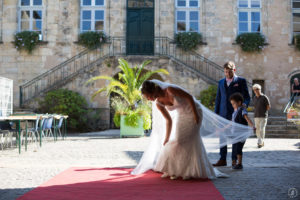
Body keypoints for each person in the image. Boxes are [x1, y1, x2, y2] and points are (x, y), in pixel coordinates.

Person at [131, 79, 253, 180]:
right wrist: (167, 138)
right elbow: (169, 120)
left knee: (183, 141)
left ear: (152, 91)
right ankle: (177, 170)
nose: (148, 100)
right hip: (181, 116)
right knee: (177, 141)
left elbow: (189, 97)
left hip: (194, 111)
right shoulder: (159, 103)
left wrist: (195, 115)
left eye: (148, 96)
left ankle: (188, 171)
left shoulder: (170, 90)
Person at [213, 61, 250, 167]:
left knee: (235, 138)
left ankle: (234, 160)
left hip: (236, 114)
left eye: (229, 72)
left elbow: (247, 97)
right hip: (223, 113)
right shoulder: (221, 82)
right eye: (225, 72)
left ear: (234, 70)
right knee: (222, 137)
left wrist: (244, 105)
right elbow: (218, 99)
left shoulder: (241, 81)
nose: (227, 74)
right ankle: (222, 159)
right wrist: (216, 114)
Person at [229, 93, 254, 169]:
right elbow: (231, 122)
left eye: (234, 103)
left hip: (241, 133)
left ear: (239, 102)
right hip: (235, 133)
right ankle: (235, 162)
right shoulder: (235, 111)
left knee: (239, 148)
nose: (233, 105)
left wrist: (252, 126)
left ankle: (240, 164)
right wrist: (223, 128)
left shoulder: (242, 110)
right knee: (235, 148)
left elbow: (247, 118)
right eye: (232, 104)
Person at [252, 84, 270, 148]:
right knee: (257, 130)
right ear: (254, 91)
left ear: (260, 89)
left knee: (262, 129)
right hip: (256, 116)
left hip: (263, 116)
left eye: (257, 89)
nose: (256, 91)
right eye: (255, 90)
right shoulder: (254, 98)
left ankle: (260, 142)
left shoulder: (264, 97)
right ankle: (260, 141)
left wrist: (263, 111)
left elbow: (268, 107)